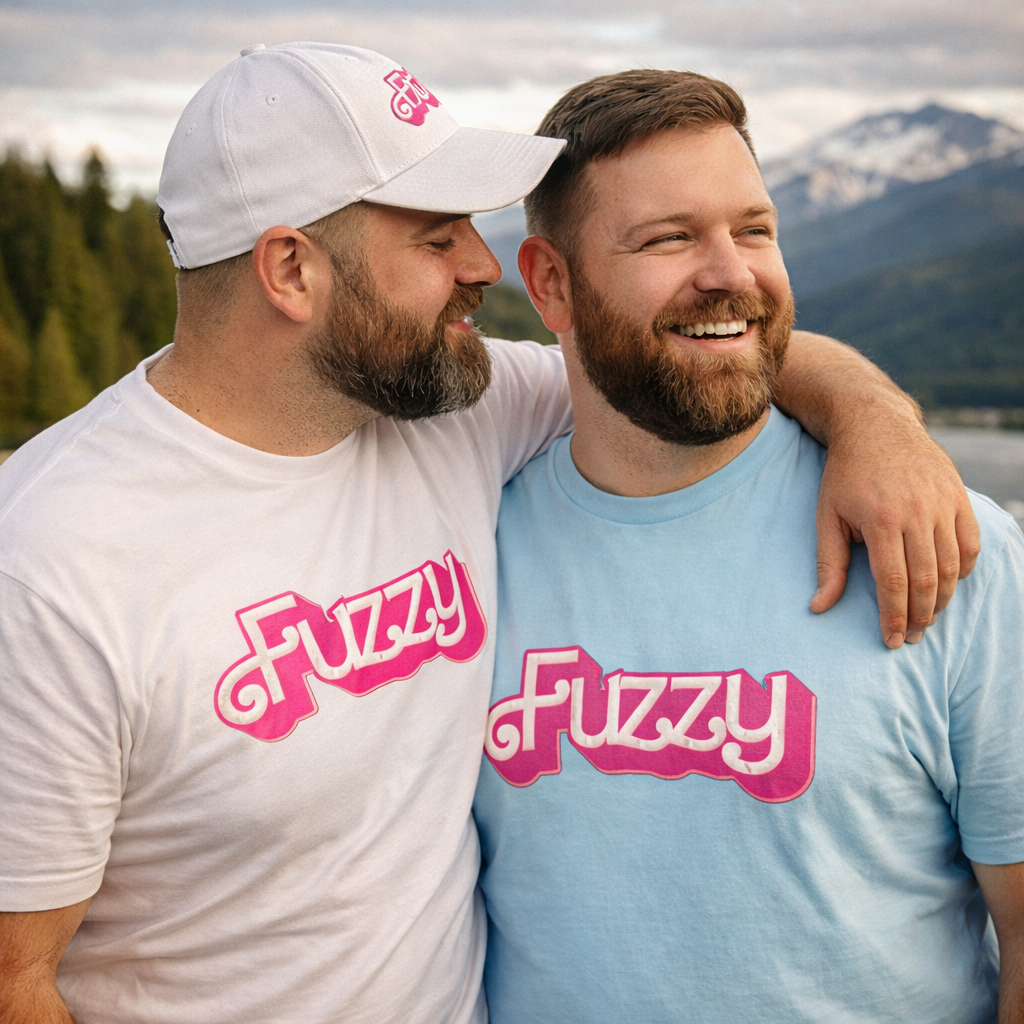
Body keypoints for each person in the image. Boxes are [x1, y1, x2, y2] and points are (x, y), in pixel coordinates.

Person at [0, 43, 978, 1024]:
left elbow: (686, 350)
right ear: (290, 269)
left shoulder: (449, 406)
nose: (480, 264)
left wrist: (875, 422)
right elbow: (15, 979)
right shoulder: (56, 563)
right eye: (436, 238)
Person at [473, 69, 1024, 1024]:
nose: (732, 272)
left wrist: (875, 415)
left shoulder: (941, 543)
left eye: (755, 229)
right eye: (670, 237)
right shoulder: (470, 550)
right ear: (552, 284)